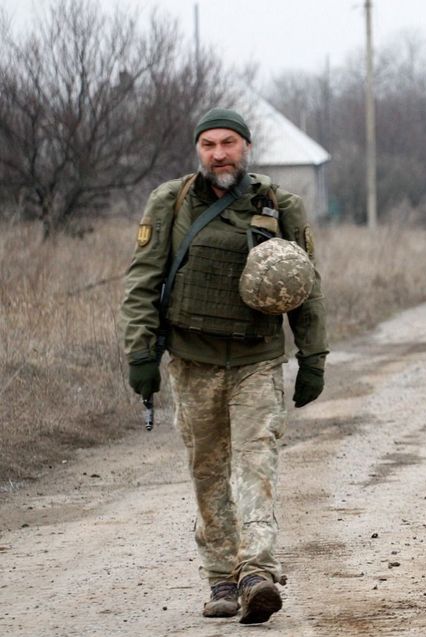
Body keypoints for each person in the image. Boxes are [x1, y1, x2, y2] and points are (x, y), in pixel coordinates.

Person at [120, 108, 328, 624]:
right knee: (208, 471)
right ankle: (220, 578)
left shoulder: (281, 205)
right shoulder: (171, 203)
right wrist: (140, 352)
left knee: (255, 465)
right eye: (209, 144)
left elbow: (306, 286)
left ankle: (257, 571)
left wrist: (313, 357)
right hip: (192, 362)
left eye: (229, 143)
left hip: (257, 360)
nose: (219, 153)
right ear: (198, 149)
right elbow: (142, 283)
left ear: (247, 148)